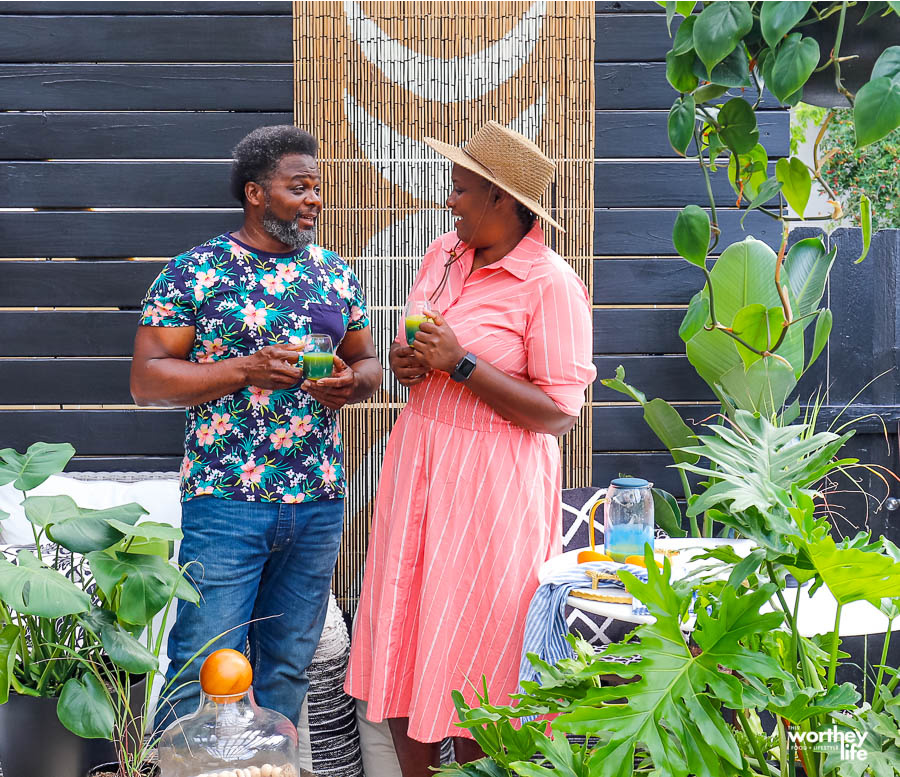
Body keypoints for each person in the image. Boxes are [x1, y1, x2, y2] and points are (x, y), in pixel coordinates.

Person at [344, 121, 596, 775]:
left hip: (494, 490)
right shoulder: (443, 254)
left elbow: (560, 413)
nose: (449, 201)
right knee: (405, 634)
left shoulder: (550, 284)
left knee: (484, 650)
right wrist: (412, 363)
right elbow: (428, 355)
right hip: (419, 465)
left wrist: (461, 365)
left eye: (460, 190)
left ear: (503, 201)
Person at [130, 125, 382, 729]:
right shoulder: (197, 272)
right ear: (255, 193)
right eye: (300, 188)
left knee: (290, 667)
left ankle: (270, 770)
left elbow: (368, 361)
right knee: (202, 666)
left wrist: (353, 383)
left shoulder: (332, 272)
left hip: (318, 500)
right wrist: (244, 369)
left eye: (317, 189)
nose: (314, 200)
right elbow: (147, 380)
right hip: (226, 502)